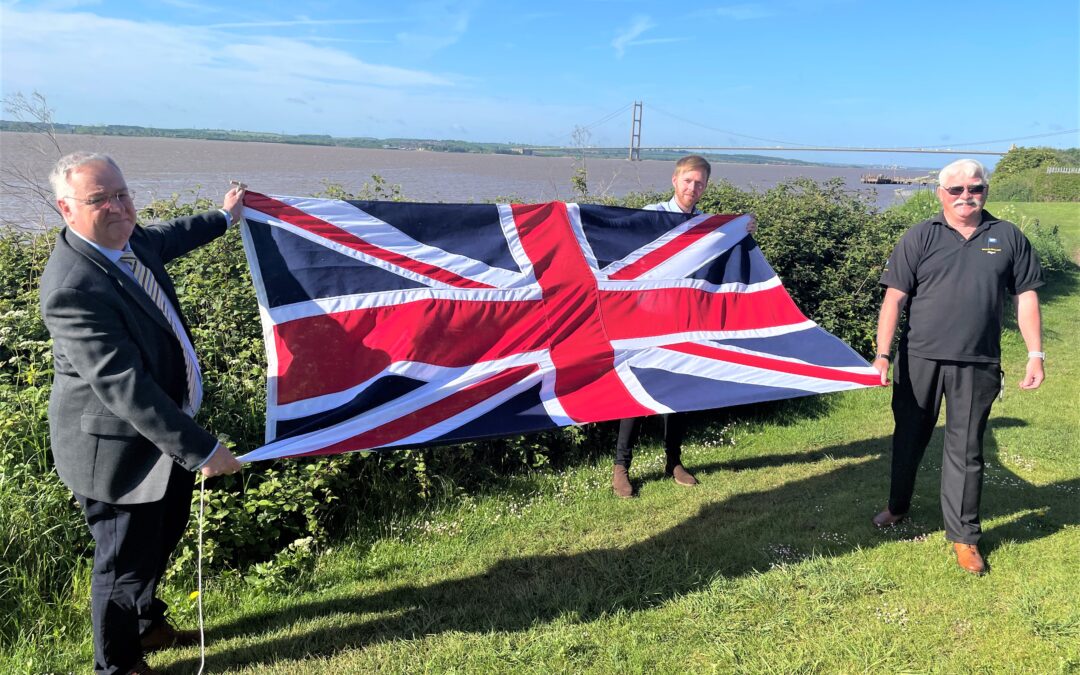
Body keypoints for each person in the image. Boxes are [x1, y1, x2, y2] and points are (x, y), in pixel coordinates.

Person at [40, 152, 245, 675]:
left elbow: (173, 234)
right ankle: (119, 665)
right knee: (121, 565)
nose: (117, 207)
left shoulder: (132, 243)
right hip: (116, 454)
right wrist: (200, 448)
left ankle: (147, 624)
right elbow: (123, 385)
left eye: (122, 193)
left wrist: (226, 216)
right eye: (98, 199)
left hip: (164, 442)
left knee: (163, 536)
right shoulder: (73, 287)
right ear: (66, 209)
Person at [870, 158, 1045, 575]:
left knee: (966, 451)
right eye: (958, 190)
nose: (968, 196)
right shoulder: (920, 236)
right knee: (909, 438)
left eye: (976, 188)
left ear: (986, 191)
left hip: (978, 362)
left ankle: (965, 538)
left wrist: (1035, 353)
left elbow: (1026, 299)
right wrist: (883, 353)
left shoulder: (1007, 237)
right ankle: (898, 505)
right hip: (920, 359)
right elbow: (894, 298)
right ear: (941, 194)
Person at [611, 154, 756, 498]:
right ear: (674, 180)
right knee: (634, 391)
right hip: (644, 319)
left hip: (683, 320)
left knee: (678, 390)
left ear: (705, 188)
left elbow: (724, 250)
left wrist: (742, 229)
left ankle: (673, 461)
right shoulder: (651, 215)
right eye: (688, 181)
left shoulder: (707, 226)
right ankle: (621, 467)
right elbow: (620, 245)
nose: (693, 188)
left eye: (700, 183)